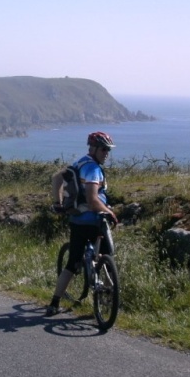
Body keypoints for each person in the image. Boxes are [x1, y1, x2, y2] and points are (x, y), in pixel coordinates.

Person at [46, 132, 118, 316]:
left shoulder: (79, 163)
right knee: (108, 258)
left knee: (71, 264)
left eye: (108, 150)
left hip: (76, 219)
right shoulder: (93, 169)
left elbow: (56, 178)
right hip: (94, 220)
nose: (106, 153)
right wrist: (110, 212)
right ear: (93, 148)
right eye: (104, 149)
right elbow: (93, 200)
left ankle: (54, 303)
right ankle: (112, 297)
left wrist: (58, 203)